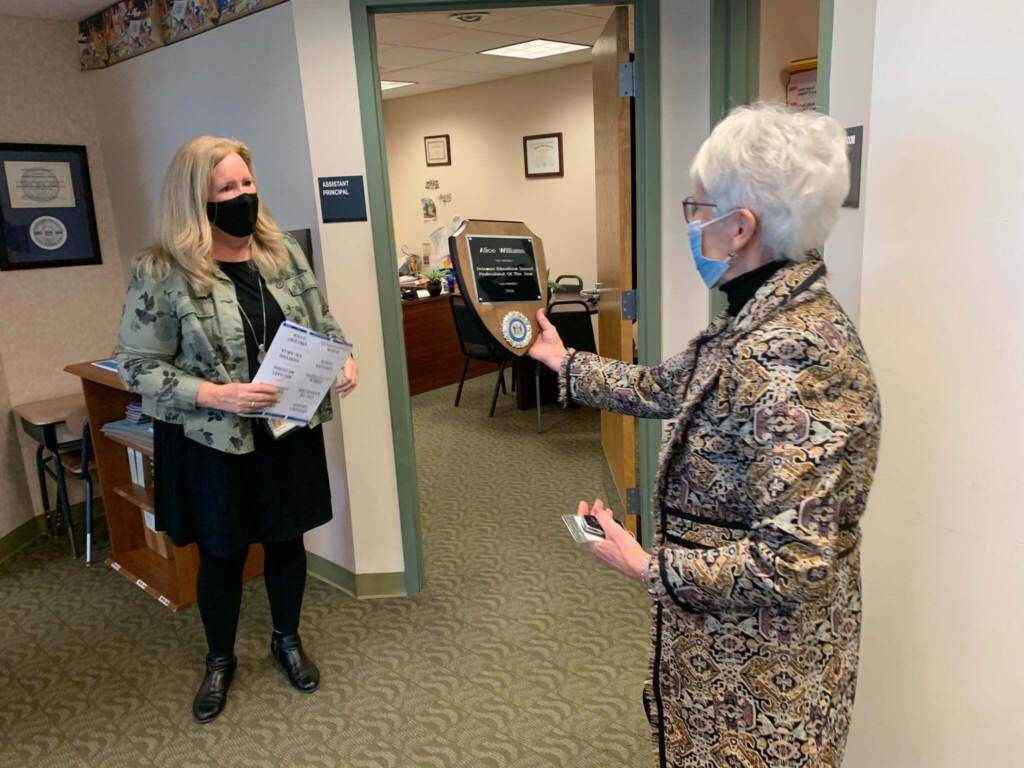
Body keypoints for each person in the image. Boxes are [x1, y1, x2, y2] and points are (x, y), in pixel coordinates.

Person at [530, 103, 881, 768]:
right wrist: (563, 361)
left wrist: (642, 565)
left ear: (740, 226)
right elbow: (668, 387)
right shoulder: (761, 314)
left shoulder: (791, 352)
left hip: (761, 679)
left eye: (698, 207)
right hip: (724, 648)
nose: (691, 224)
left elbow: (793, 559)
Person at [115, 136, 358, 724]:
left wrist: (342, 358)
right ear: (194, 199)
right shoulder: (161, 270)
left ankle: (286, 639)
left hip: (284, 431)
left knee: (285, 541)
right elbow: (137, 366)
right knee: (222, 554)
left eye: (247, 185)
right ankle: (220, 658)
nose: (242, 197)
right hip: (211, 443)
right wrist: (218, 394)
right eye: (226, 189)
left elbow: (321, 321)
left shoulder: (282, 254)